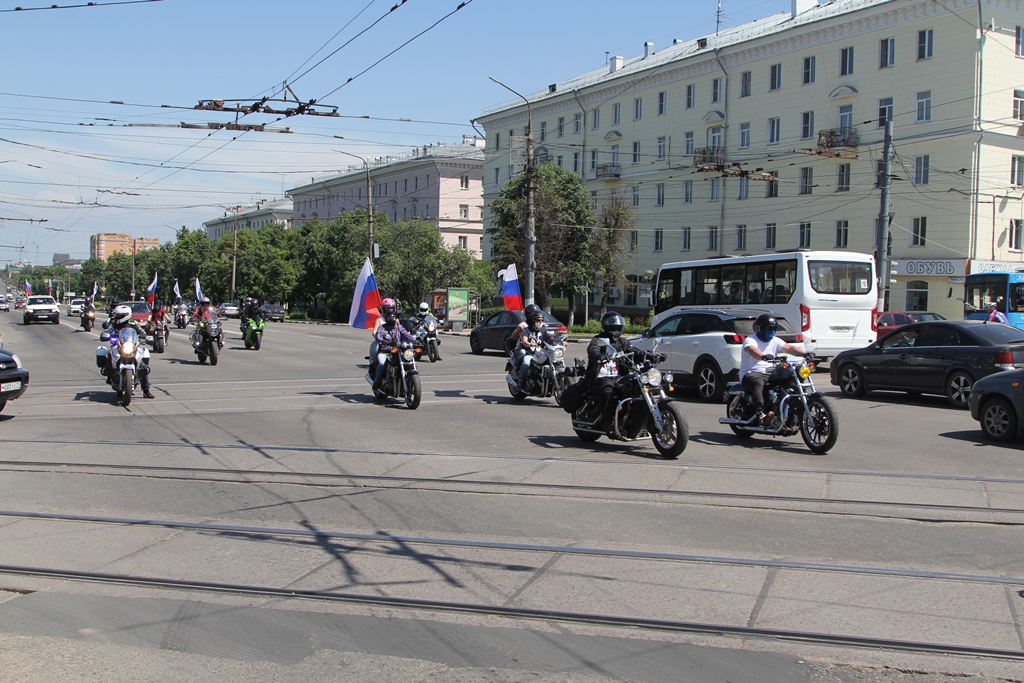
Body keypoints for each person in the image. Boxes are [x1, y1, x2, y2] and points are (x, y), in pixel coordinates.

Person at [585, 311, 664, 427]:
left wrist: (649, 355)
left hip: (619, 376)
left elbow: (634, 351)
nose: (616, 328)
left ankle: (633, 417)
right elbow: (592, 349)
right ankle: (607, 421)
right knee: (608, 389)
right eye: (613, 325)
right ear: (606, 326)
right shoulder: (598, 340)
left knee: (636, 386)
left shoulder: (622, 342)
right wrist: (598, 356)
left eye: (618, 326)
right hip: (601, 377)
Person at [740, 314, 805, 426]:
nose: (772, 331)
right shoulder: (750, 340)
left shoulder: (775, 340)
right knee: (758, 382)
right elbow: (752, 350)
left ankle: (794, 408)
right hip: (752, 373)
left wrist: (804, 353)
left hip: (770, 372)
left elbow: (789, 348)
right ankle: (761, 414)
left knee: (791, 378)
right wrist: (763, 356)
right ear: (759, 329)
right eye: (768, 329)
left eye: (774, 329)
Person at [104, 303, 155, 399]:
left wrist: (145, 337)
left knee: (143, 366)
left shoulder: (133, 324)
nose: (117, 317)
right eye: (117, 315)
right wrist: (106, 335)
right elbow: (108, 331)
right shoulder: (115, 324)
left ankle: (146, 390)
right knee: (108, 354)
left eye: (119, 316)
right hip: (118, 346)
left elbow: (141, 332)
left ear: (125, 315)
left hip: (132, 347)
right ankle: (109, 375)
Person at [372, 300, 416, 395]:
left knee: (407, 360)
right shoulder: (382, 327)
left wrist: (414, 340)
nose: (392, 319)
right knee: (382, 363)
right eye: (390, 317)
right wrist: (383, 341)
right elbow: (378, 336)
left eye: (393, 317)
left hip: (397, 350)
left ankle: (407, 381)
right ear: (386, 318)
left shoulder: (398, 327)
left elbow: (406, 334)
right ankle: (377, 382)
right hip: (385, 351)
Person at [509, 304, 544, 379]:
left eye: (537, 313)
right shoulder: (523, 325)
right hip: (522, 347)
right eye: (533, 313)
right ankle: (514, 370)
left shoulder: (540, 324)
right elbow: (514, 335)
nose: (535, 315)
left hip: (535, 348)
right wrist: (522, 338)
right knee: (522, 353)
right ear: (528, 314)